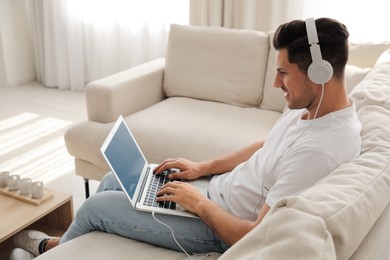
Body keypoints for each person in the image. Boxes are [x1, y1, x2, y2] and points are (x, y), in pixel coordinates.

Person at [11, 17, 361, 258]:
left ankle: (50, 250)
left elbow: (254, 235)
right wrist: (203, 167)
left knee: (94, 207)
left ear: (320, 73)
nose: (275, 84)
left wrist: (198, 204)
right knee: (110, 180)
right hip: (217, 193)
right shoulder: (310, 109)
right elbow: (267, 146)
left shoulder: (322, 149)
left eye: (283, 73)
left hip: (219, 227)